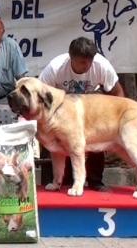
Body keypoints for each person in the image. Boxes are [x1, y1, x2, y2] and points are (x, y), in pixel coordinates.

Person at [38, 36, 125, 191]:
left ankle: (95, 181)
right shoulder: (56, 67)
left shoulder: (101, 65)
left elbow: (118, 94)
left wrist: (116, 121)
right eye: (82, 62)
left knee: (96, 139)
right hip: (63, 110)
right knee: (60, 142)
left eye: (89, 61)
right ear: (71, 57)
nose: (87, 66)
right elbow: (40, 95)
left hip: (92, 109)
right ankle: (62, 181)